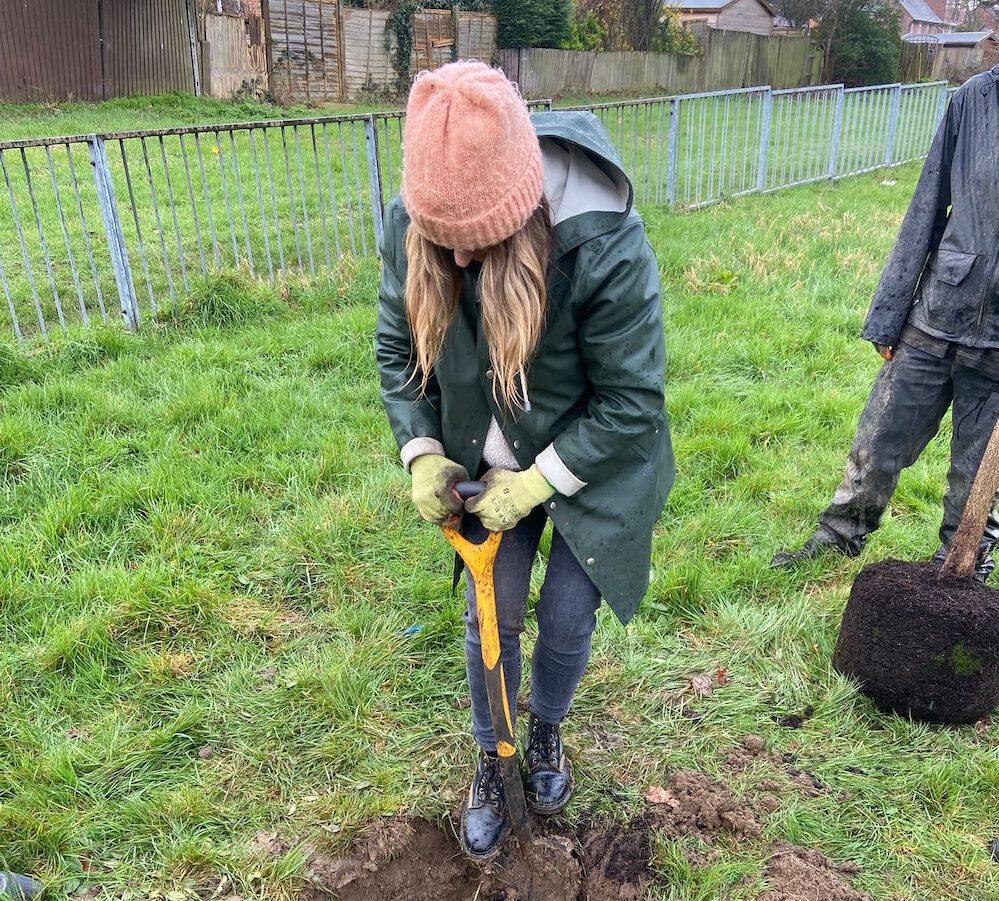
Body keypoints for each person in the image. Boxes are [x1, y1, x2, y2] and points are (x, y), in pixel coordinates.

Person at [375, 61, 673, 860]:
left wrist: (540, 480)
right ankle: (491, 753)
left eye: (476, 245)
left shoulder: (600, 240)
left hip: (595, 462)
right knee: (488, 619)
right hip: (480, 456)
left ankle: (544, 733)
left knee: (568, 617)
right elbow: (399, 353)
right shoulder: (414, 222)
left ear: (517, 213)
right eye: (446, 245)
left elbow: (632, 401)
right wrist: (421, 452)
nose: (461, 265)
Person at [773, 65, 999, 578]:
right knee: (877, 445)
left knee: (978, 476)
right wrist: (888, 315)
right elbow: (927, 202)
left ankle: (964, 563)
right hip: (937, 313)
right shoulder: (974, 99)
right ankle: (838, 537)